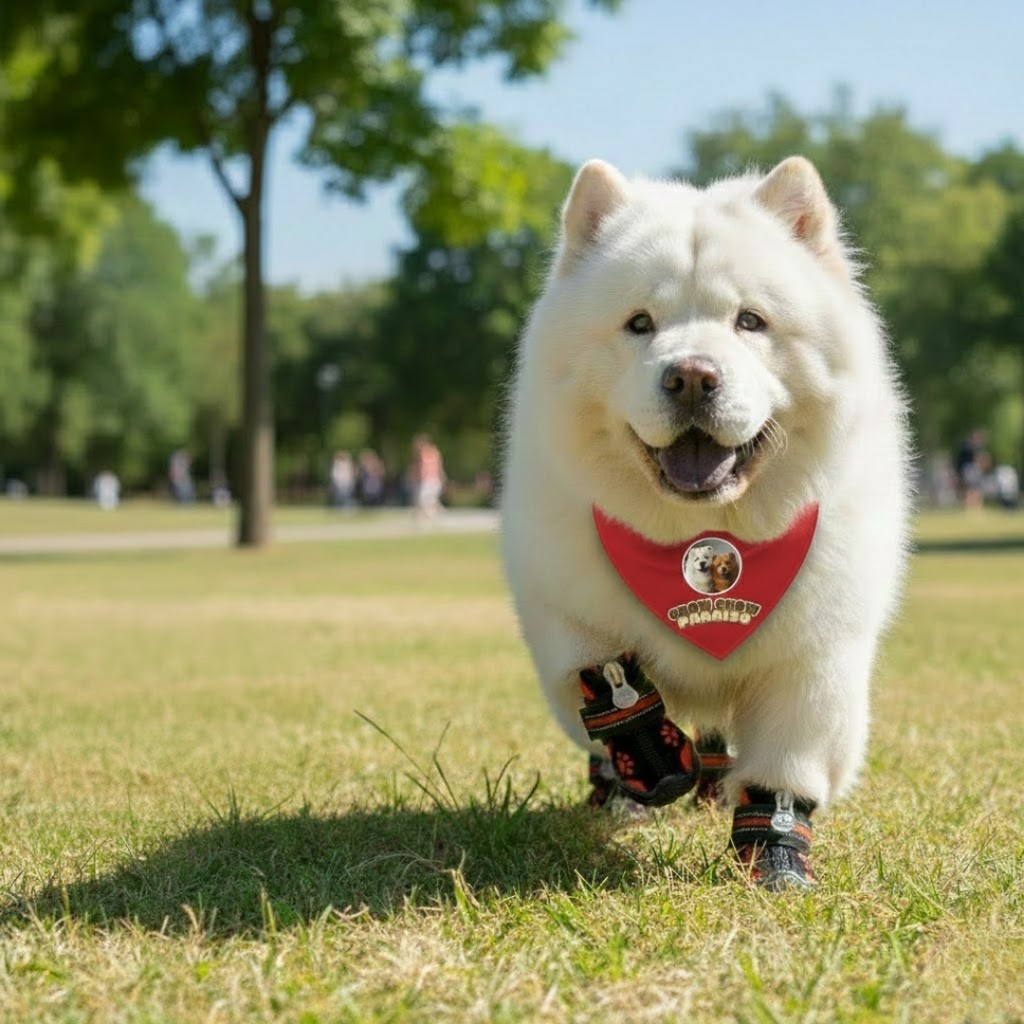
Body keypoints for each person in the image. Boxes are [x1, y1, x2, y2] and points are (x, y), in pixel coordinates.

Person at [409, 433, 445, 519]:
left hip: (430, 479)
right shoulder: (426, 453)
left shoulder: (430, 453)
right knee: (425, 500)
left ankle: (433, 515)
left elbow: (436, 467)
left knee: (424, 500)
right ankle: (420, 516)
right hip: (427, 480)